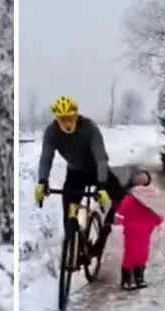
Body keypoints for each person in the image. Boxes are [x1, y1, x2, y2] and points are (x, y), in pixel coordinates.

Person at [34, 96, 125, 255]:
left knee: (121, 198)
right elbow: (46, 158)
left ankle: (102, 239)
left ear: (76, 116)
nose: (67, 124)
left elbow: (101, 157)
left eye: (70, 119)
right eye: (63, 120)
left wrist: (102, 185)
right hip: (75, 172)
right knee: (68, 206)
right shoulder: (52, 132)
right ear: (57, 119)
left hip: (96, 170)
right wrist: (42, 181)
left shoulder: (89, 128)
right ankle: (72, 237)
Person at [112, 168, 164, 290]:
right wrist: (159, 222)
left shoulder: (131, 198)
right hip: (143, 230)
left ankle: (129, 278)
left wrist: (118, 222)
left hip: (134, 230)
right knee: (141, 253)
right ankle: (137, 276)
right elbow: (157, 211)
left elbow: (121, 211)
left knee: (133, 254)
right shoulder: (151, 197)